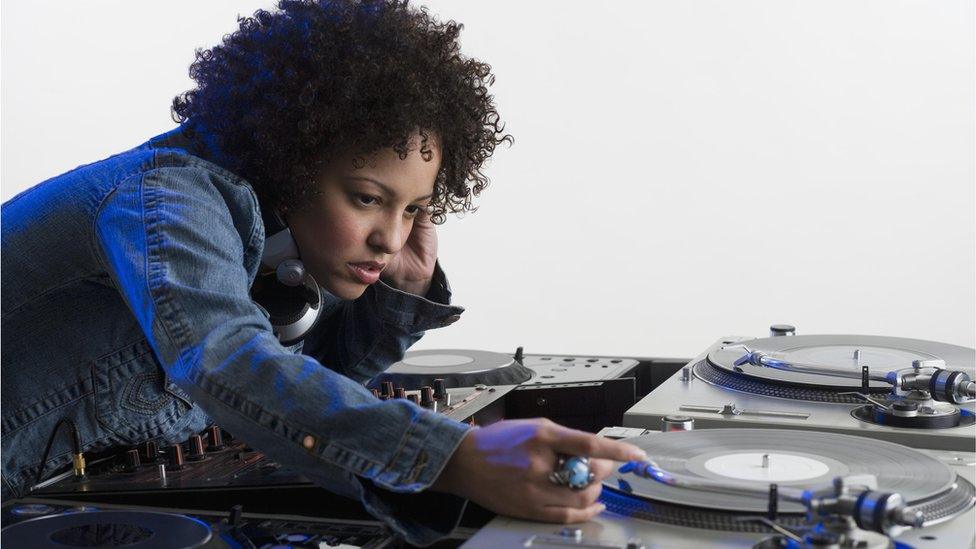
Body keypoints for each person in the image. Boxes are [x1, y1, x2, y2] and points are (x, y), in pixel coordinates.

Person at [1, 0, 646, 544]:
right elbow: (225, 362)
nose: (389, 238)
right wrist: (454, 455)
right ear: (293, 159)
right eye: (368, 197)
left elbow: (299, 404)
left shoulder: (281, 236)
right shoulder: (168, 200)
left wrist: (401, 296)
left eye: (414, 208)